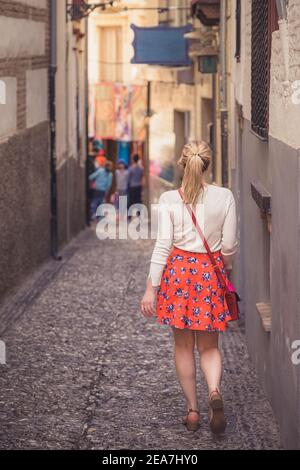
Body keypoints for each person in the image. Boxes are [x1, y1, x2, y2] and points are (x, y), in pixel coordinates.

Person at [141, 141, 239, 435]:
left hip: (178, 276)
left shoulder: (170, 199)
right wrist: (225, 268)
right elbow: (230, 246)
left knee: (183, 346)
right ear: (207, 164)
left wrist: (151, 288)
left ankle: (193, 411)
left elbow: (163, 246)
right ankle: (214, 392)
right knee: (209, 346)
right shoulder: (225, 197)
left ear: (183, 164)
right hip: (210, 273)